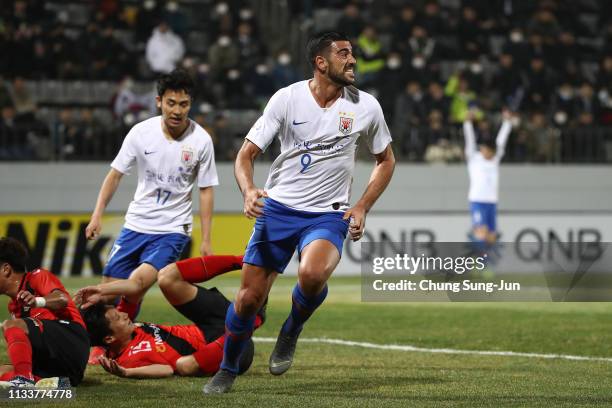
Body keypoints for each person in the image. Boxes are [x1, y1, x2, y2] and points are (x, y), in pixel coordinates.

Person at [204, 31, 395, 394]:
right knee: (247, 300)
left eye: (352, 53)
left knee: (312, 273)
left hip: (328, 213)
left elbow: (385, 160)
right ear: (321, 63)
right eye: (343, 54)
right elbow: (246, 155)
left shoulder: (366, 106)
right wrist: (248, 191)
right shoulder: (287, 99)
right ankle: (227, 367)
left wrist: (361, 206)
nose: (352, 60)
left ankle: (291, 329)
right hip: (278, 209)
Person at [84, 68, 218, 357]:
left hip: (172, 229)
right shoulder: (141, 133)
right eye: (171, 103)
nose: (177, 111)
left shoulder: (202, 141)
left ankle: (122, 343)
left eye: (183, 104)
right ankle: (104, 342)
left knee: (136, 286)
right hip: (135, 225)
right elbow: (115, 175)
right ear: (159, 101)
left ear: (190, 104)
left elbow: (206, 190)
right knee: (109, 288)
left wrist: (206, 238)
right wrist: (97, 215)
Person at [78, 254, 263, 379]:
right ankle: (250, 323)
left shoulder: (126, 330)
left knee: (166, 277)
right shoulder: (127, 359)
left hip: (212, 323)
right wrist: (127, 373)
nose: (125, 314)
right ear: (109, 338)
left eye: (119, 312)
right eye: (118, 317)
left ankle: (246, 259)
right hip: (230, 351)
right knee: (183, 366)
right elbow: (166, 369)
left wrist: (101, 290)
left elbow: (134, 288)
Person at [0, 237, 89, 388]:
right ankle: (48, 383)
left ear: (6, 269)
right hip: (56, 364)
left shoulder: (37, 277)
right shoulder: (13, 306)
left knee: (11, 324)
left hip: (73, 340)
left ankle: (24, 380)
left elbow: (62, 299)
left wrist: (37, 301)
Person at [464, 109, 513, 246]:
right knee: (481, 233)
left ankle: (487, 264)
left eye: (490, 151)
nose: (487, 153)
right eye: (484, 150)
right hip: (477, 201)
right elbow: (470, 141)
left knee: (491, 236)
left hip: (491, 201)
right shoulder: (474, 158)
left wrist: (507, 123)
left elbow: (501, 141)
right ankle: (476, 263)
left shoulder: (495, 159)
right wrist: (467, 123)